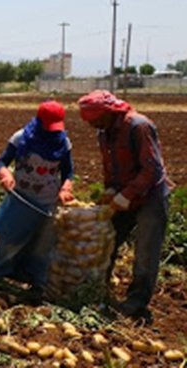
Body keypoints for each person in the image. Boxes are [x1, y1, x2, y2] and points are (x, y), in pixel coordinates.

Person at [78, 90, 172, 320]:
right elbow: (111, 167)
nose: (92, 125)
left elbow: (152, 169)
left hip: (151, 196)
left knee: (145, 252)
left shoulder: (138, 126)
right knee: (107, 240)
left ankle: (136, 302)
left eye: (95, 120)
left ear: (108, 113)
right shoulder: (104, 133)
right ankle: (99, 290)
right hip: (124, 195)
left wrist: (125, 196)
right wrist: (111, 190)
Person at [0, 100, 75, 293]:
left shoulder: (63, 142)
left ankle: (35, 281)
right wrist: (5, 174)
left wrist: (66, 188)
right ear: (39, 121)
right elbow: (2, 161)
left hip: (49, 201)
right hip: (23, 198)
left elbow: (68, 172)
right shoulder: (21, 138)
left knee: (43, 243)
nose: (52, 132)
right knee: (11, 239)